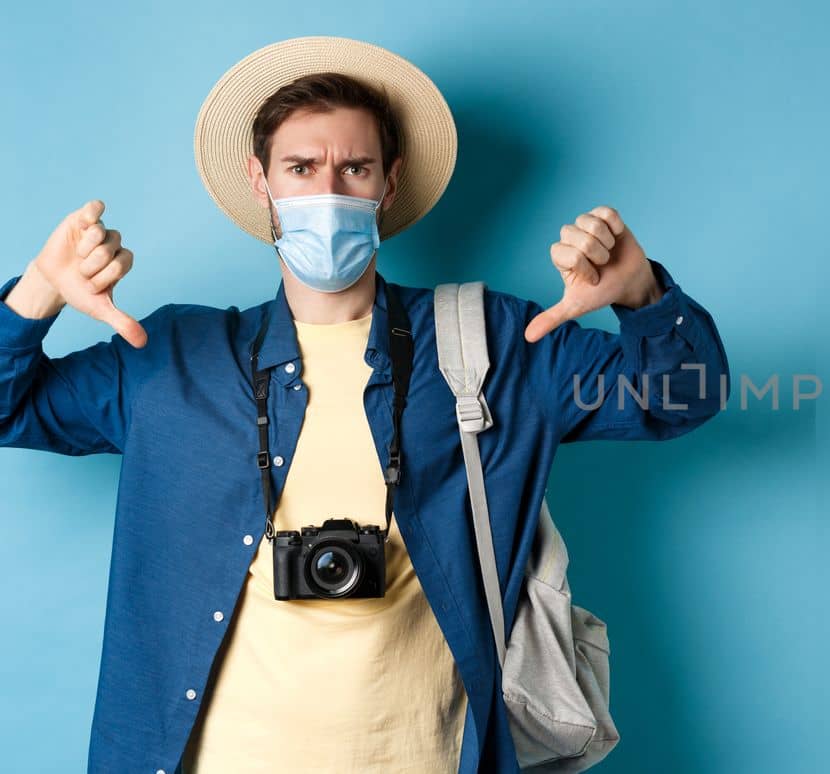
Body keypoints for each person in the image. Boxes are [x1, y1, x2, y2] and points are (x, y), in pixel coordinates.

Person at [0, 36, 729, 774]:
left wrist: (642, 296)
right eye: (301, 168)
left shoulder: (492, 344)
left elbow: (680, 399)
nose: (328, 192)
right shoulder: (171, 359)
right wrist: (38, 293)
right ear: (261, 181)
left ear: (389, 183)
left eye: (354, 168)